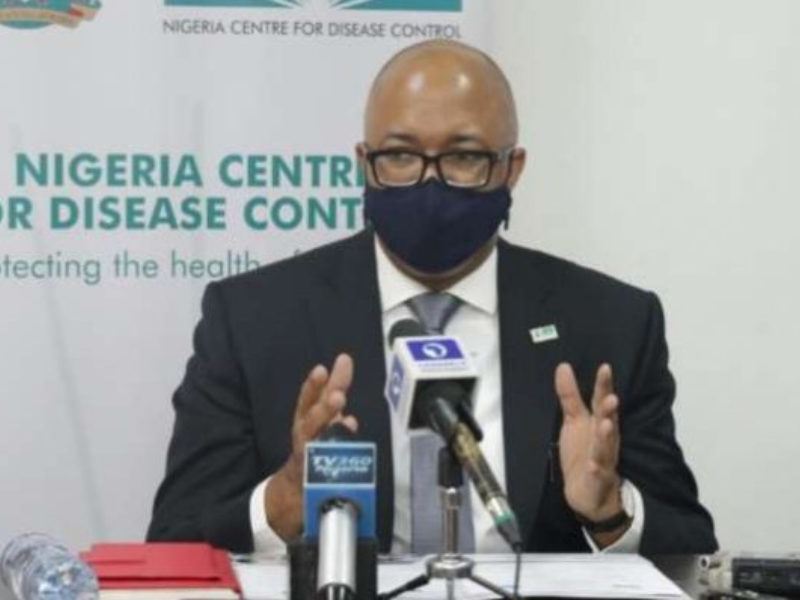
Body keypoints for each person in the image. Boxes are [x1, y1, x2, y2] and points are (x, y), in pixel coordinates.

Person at [147, 40, 716, 556]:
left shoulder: (612, 321)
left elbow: (689, 545)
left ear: (511, 168)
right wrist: (284, 499)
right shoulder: (253, 319)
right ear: (364, 162)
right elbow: (176, 540)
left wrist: (610, 511)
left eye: (464, 156)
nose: (429, 181)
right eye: (400, 155)